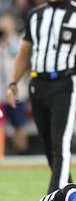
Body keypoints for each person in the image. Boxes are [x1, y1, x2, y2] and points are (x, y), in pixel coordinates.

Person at [6, 0, 76, 193]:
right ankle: (69, 192)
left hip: (65, 83)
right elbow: (24, 53)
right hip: (38, 84)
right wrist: (13, 83)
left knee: (61, 144)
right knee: (49, 147)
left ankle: (55, 195)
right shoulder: (35, 16)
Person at [0, 13, 29, 154]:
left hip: (17, 93)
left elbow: (19, 63)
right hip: (1, 94)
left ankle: (21, 153)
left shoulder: (18, 42)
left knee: (19, 126)